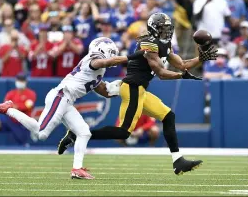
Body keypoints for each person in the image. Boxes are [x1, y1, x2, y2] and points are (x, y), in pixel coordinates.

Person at [59, 13, 218, 175]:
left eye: (168, 28)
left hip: (141, 89)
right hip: (132, 87)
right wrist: (180, 75)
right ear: (154, 29)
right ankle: (76, 134)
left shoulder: (165, 44)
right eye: (163, 28)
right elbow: (161, 73)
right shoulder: (148, 43)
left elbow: (182, 64)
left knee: (168, 116)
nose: (167, 31)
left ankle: (178, 161)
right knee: (123, 132)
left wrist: (201, 58)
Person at [0, 37, 139, 179]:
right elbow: (105, 62)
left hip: (67, 101)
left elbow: (103, 91)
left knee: (84, 132)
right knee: (41, 133)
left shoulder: (100, 69)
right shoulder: (93, 61)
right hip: (60, 96)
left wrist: (119, 90)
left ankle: (77, 169)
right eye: (111, 53)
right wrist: (133, 57)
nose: (113, 56)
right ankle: (8, 109)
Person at [0, 73, 36, 147]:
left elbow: (28, 106)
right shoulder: (11, 93)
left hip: (22, 122)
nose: (20, 82)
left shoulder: (31, 93)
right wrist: (15, 106)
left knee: (23, 144)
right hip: (10, 119)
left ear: (25, 81)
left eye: (22, 80)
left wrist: (16, 106)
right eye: (19, 80)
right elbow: (6, 105)